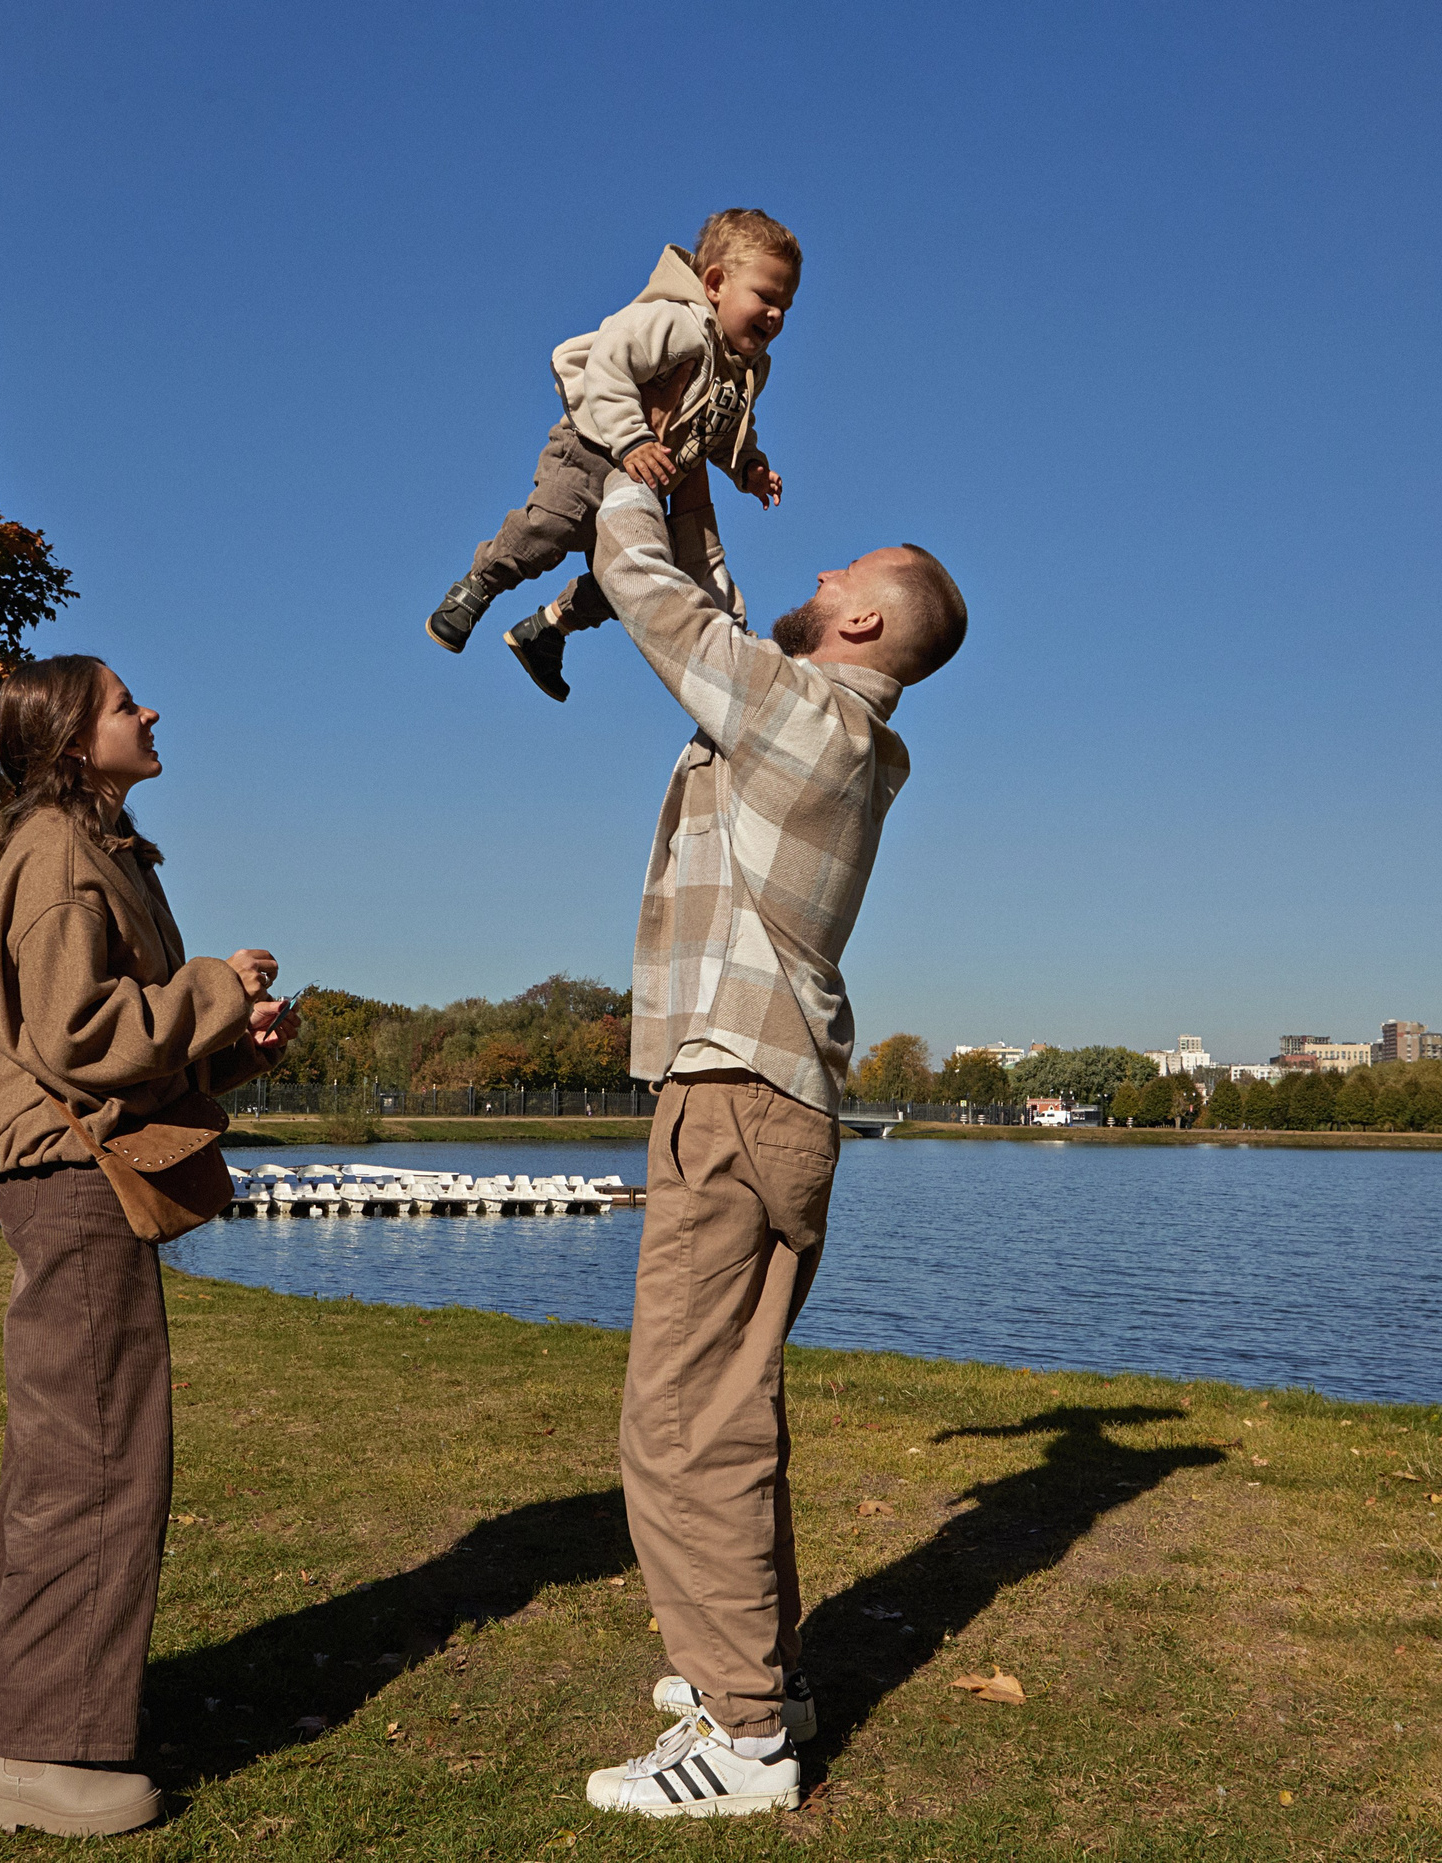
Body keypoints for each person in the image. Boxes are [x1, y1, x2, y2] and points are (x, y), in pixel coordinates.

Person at [580, 473, 967, 1817]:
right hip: (770, 1092)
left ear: (863, 623)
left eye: (836, 575)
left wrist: (623, 474)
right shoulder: (826, 720)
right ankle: (765, 1677)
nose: (814, 576)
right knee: (729, 1399)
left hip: (735, 1088)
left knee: (680, 1419)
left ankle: (741, 1740)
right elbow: (720, 607)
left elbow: (658, 602)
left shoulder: (803, 717)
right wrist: (687, 481)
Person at [0, 655, 295, 1837]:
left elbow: (122, 1044)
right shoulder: (60, 849)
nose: (147, 712)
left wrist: (231, 1039)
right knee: (96, 1452)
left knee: (71, 1443)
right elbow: (74, 1035)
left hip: (77, 1162)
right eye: (120, 703)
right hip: (69, 1169)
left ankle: (21, 1704)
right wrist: (212, 986)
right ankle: (42, 1756)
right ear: (67, 738)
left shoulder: (103, 849)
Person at [422, 208, 800, 703]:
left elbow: (726, 428)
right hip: (592, 451)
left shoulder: (749, 370)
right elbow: (608, 362)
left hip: (646, 481)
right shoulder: (675, 322)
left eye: (786, 306)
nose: (776, 315)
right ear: (714, 284)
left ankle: (547, 630)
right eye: (766, 297)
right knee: (549, 528)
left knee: (637, 576)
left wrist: (748, 466)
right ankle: (478, 585)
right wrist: (634, 439)